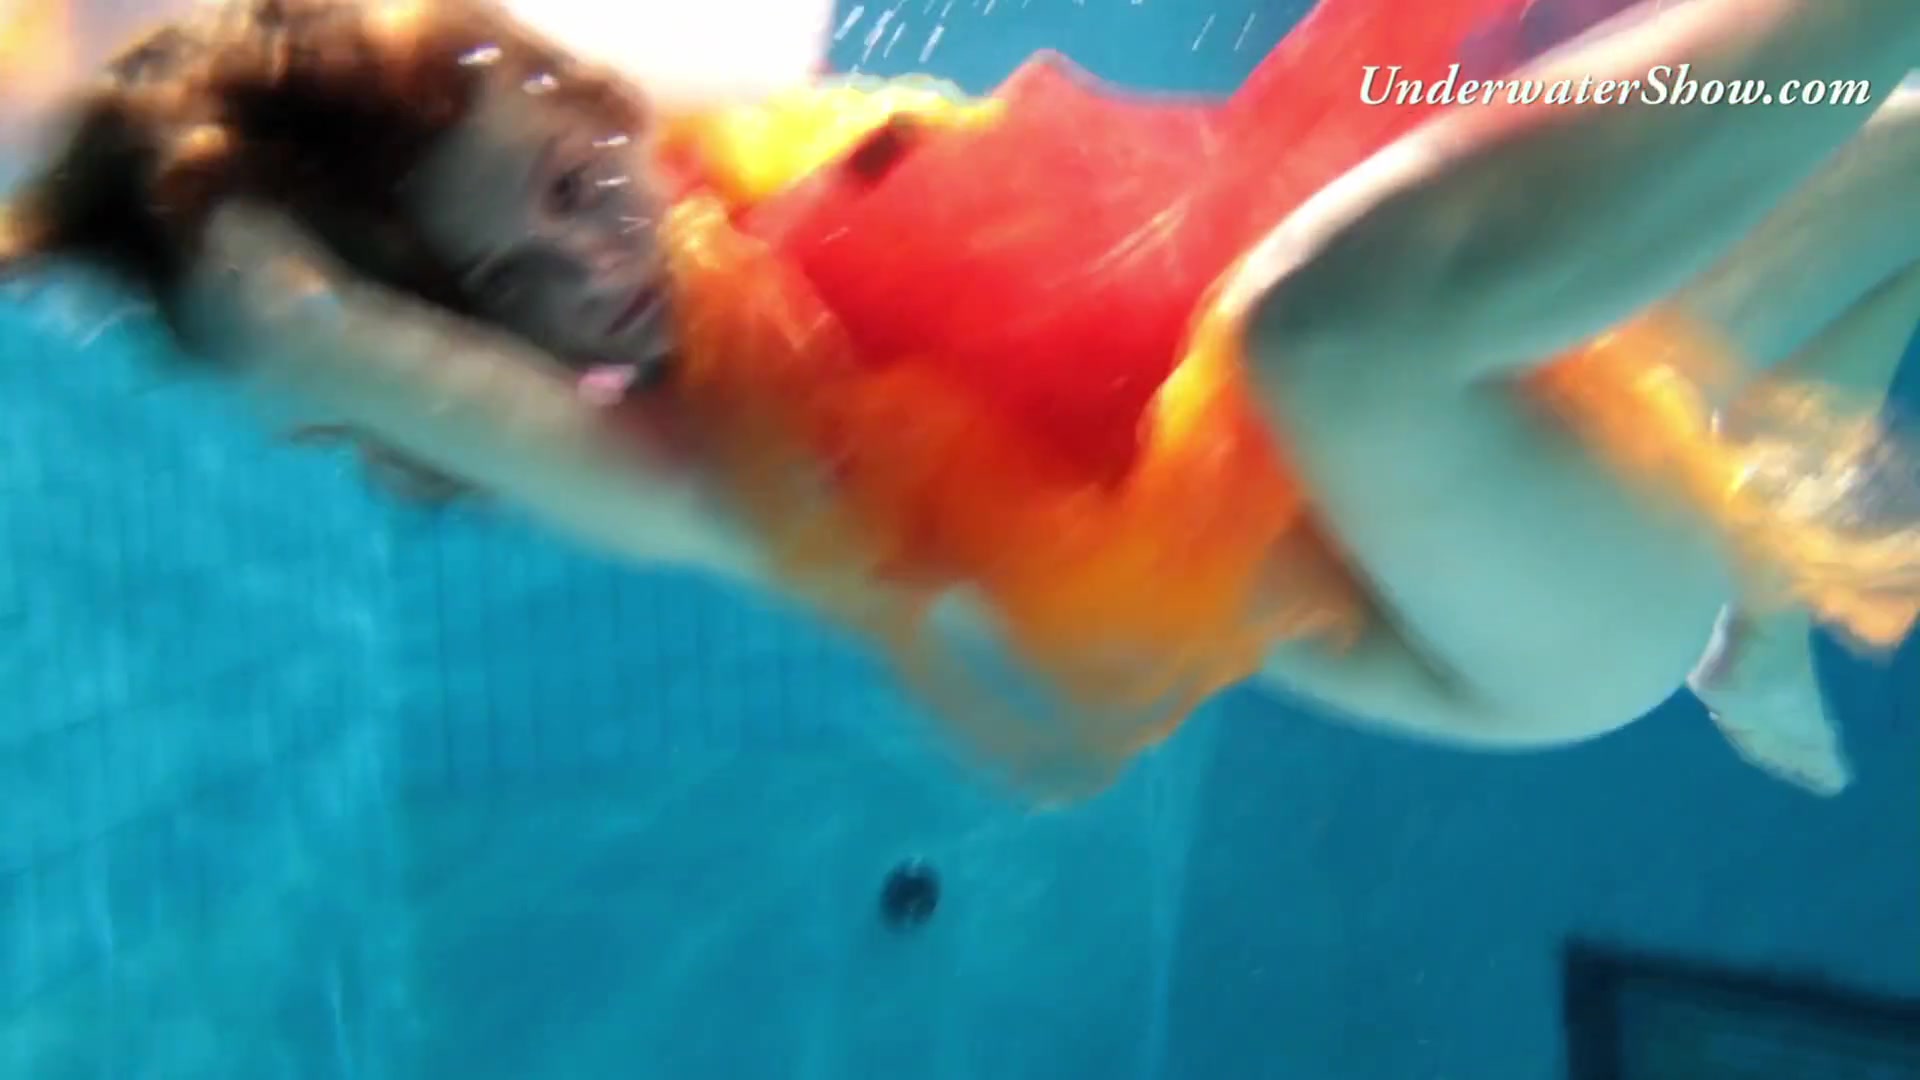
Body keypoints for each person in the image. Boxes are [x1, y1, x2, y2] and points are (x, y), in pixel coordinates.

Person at [2, 0, 1916, 800]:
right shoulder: (703, 462)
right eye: (525, 293)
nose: (601, 262)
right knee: (1327, 327)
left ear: (588, 102)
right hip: (1496, 626)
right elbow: (311, 333)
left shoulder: (767, 154)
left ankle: (1757, 626)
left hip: (1546, 431)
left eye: (579, 183)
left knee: (1889, 144)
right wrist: (189, 205)